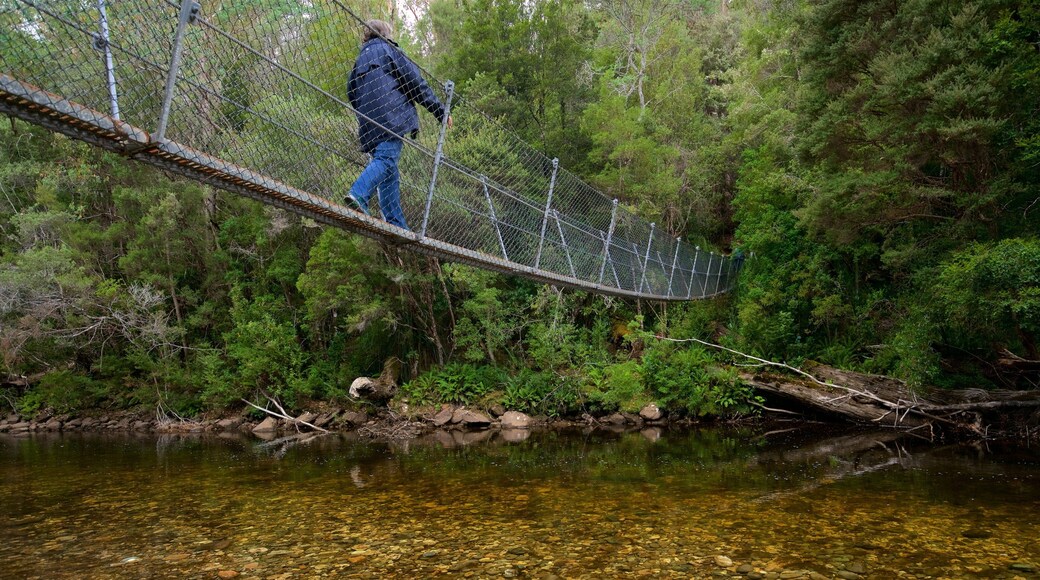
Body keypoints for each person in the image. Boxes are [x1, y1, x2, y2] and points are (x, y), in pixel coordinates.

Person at [345, 19, 452, 231]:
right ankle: (358, 194)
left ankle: (395, 223)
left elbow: (351, 92)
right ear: (386, 34)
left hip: (368, 121)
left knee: (389, 169)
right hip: (391, 118)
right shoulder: (390, 51)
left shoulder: (359, 60)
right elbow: (416, 84)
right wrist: (440, 111)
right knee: (386, 160)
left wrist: (366, 112)